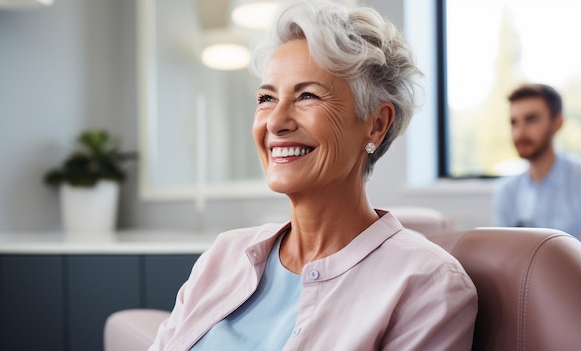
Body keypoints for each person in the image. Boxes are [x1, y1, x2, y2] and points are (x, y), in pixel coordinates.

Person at [149, 1, 477, 350]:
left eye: (307, 95)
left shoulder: (426, 284)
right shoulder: (225, 255)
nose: (276, 121)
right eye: (266, 98)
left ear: (377, 124)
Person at [493, 83, 581, 238]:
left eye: (531, 120)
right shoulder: (506, 193)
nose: (520, 132)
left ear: (557, 124)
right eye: (514, 122)